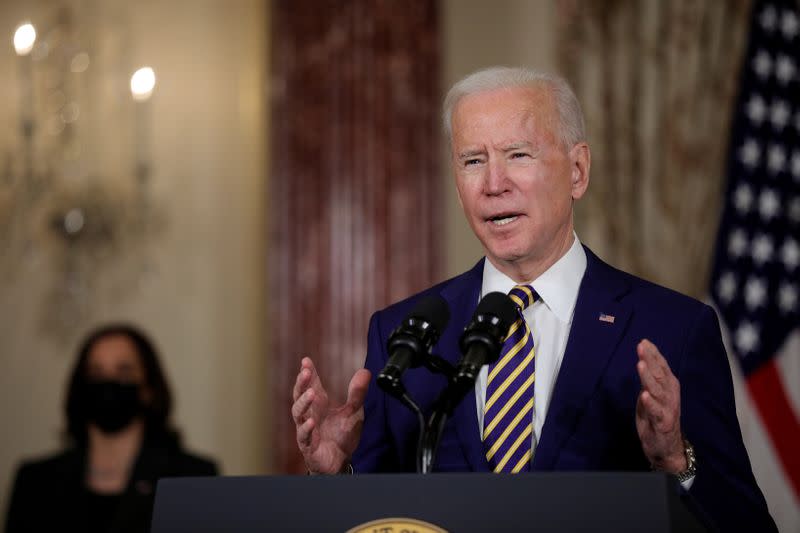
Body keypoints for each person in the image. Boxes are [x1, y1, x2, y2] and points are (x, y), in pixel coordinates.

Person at [291, 66, 777, 531]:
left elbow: (746, 525)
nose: (493, 184)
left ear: (578, 172)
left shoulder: (674, 328)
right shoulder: (404, 335)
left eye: (518, 155)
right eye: (472, 160)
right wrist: (336, 478)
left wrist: (676, 461)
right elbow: (378, 519)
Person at [5, 323, 218, 533]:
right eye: (96, 373)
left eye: (124, 371)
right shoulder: (36, 483)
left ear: (148, 389)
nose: (109, 382)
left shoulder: (193, 479)